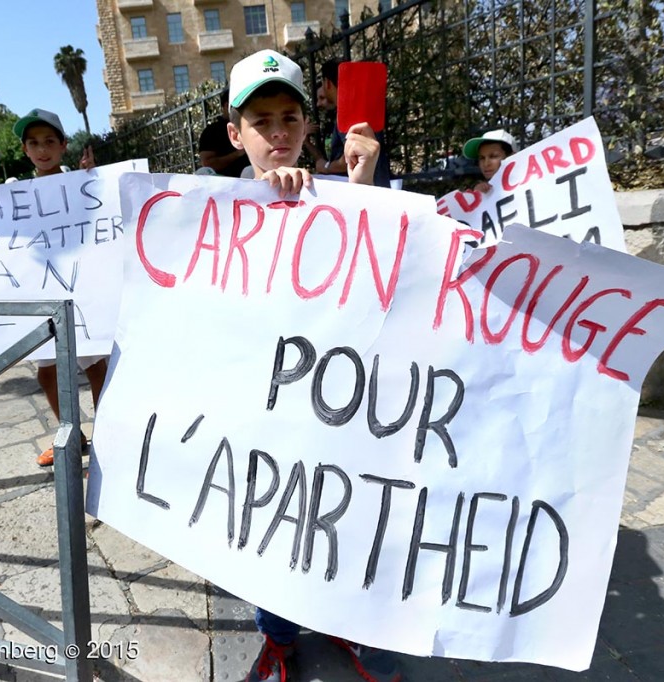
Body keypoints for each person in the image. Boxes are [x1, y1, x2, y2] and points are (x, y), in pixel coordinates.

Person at [225, 48, 402, 682]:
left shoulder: (331, 194)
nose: (277, 134)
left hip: (336, 401)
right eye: (261, 120)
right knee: (275, 524)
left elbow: (376, 256)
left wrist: (358, 185)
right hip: (264, 412)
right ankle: (278, 635)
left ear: (307, 126)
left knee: (339, 519)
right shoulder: (218, 213)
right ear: (235, 133)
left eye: (289, 119)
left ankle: (345, 621)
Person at [0, 108, 105, 467]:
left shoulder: (82, 185)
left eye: (49, 141)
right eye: (34, 143)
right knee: (47, 370)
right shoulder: (12, 192)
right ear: (25, 149)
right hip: (41, 295)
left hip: (79, 291)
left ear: (63, 145)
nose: (42, 149)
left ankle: (109, 432)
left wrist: (93, 181)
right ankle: (71, 434)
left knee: (96, 365)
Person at [319, 58, 393, 188]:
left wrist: (326, 167)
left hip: (367, 191)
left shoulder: (349, 114)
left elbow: (352, 156)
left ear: (327, 83)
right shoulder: (362, 108)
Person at [198, 88, 252, 178]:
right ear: (227, 105)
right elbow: (207, 163)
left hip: (250, 179)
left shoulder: (250, 125)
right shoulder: (212, 132)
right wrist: (237, 154)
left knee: (249, 171)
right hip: (222, 181)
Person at [461, 128, 518, 193]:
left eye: (493, 156)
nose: (486, 164)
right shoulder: (478, 189)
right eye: (482, 158)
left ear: (512, 156)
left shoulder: (528, 184)